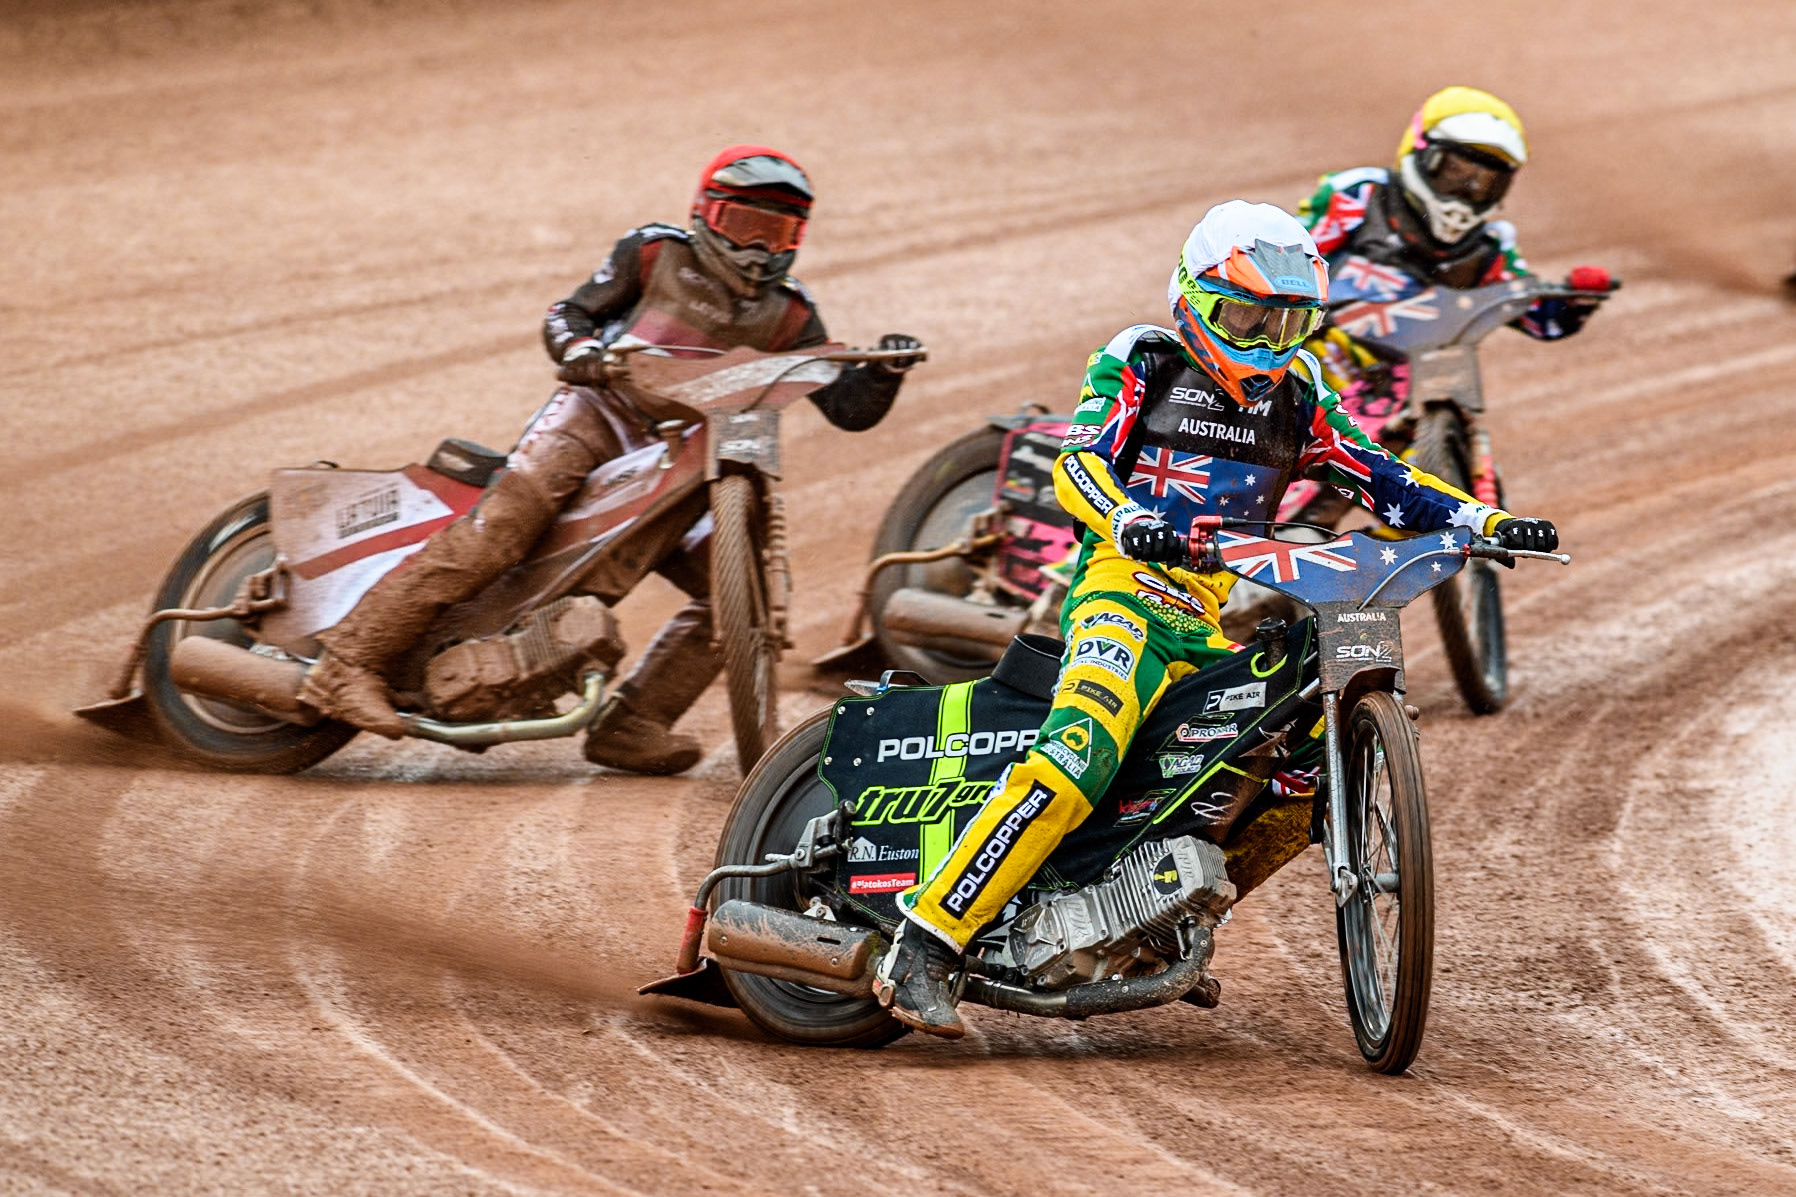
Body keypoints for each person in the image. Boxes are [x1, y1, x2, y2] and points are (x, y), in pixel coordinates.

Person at [872, 201, 1558, 1037]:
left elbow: (1386, 479)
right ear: (1193, 297)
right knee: (1082, 746)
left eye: (1289, 323)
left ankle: (1157, 919)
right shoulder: (1144, 359)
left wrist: (1484, 521)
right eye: (1248, 317)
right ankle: (926, 939)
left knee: (1295, 765)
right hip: (1122, 591)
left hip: (1203, 616)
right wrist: (1126, 518)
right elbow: (1080, 460)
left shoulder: (1300, 394)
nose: (1267, 345)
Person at [299, 145, 922, 774]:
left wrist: (885, 373)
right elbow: (567, 313)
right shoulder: (655, 253)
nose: (760, 249)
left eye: (778, 232)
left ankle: (635, 723)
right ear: (707, 214)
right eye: (745, 227)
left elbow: (847, 407)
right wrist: (582, 350)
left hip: (688, 456)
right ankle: (347, 663)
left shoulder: (792, 313)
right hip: (597, 415)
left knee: (737, 590)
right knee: (504, 528)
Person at [1297, 85, 1606, 406]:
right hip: (1317, 353)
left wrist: (1575, 303)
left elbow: (1538, 318)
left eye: (1485, 183)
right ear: (1421, 152)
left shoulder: (1489, 246)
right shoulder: (1358, 195)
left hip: (1416, 381)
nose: (1466, 190)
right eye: (1454, 172)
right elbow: (1289, 259)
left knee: (1460, 410)